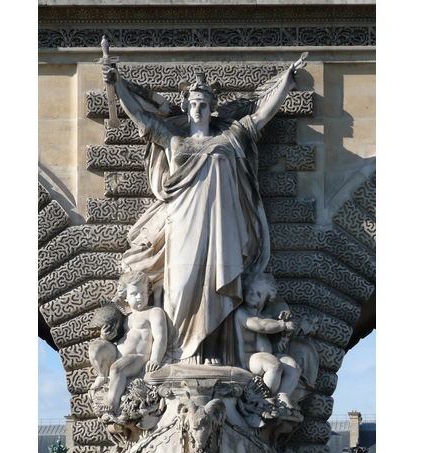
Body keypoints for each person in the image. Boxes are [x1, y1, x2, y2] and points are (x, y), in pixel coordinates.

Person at [104, 63, 298, 364]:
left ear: (212, 108)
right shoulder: (173, 139)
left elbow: (260, 117)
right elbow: (141, 117)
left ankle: (211, 354)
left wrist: (286, 84)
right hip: (181, 222)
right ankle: (177, 354)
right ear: (186, 106)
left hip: (222, 224)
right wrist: (116, 86)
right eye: (193, 104)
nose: (197, 109)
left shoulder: (230, 138)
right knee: (179, 286)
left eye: (203, 104)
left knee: (216, 289)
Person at [89, 271, 167, 413]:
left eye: (143, 293)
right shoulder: (125, 316)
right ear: (125, 295)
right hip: (118, 353)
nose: (140, 298)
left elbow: (160, 337)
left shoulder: (154, 312)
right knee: (95, 348)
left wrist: (155, 358)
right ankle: (101, 375)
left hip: (137, 357)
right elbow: (115, 336)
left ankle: (112, 402)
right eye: (134, 294)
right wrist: (104, 337)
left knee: (117, 368)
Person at [233, 273, 301, 412]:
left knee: (293, 366)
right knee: (273, 365)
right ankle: (265, 399)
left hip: (264, 357)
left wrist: (286, 330)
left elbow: (271, 339)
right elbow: (260, 325)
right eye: (250, 291)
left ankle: (282, 394)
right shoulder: (242, 313)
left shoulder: (267, 317)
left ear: (267, 299)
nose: (252, 295)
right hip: (248, 360)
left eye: (258, 293)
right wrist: (282, 325)